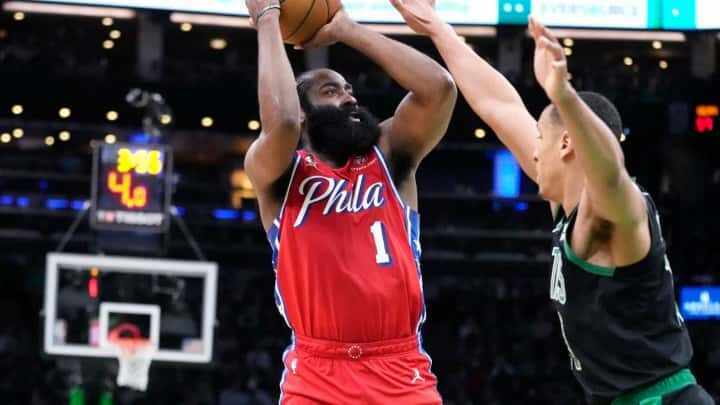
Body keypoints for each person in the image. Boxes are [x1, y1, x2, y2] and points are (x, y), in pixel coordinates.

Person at [389, 1, 715, 404]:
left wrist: (564, 96)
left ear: (566, 145)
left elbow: (610, 169)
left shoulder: (616, 211)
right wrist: (437, 28)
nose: (533, 150)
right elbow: (498, 105)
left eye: (541, 139)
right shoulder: (567, 201)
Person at [243, 0, 457, 403]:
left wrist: (347, 29)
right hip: (316, 374)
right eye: (331, 91)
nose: (349, 99)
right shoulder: (279, 173)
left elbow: (439, 88)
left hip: (400, 368)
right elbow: (282, 121)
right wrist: (267, 18)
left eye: (349, 90)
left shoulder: (389, 155)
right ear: (304, 113)